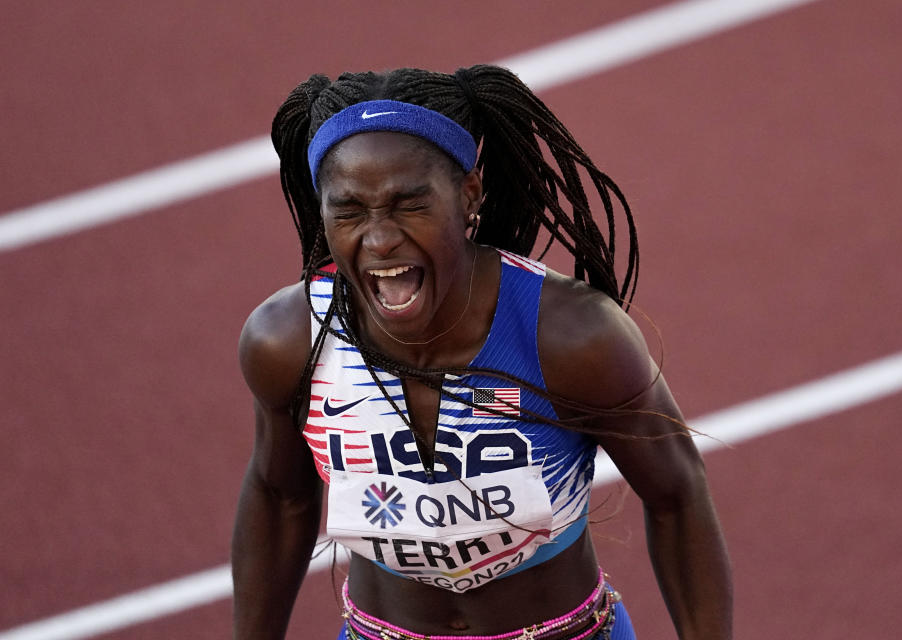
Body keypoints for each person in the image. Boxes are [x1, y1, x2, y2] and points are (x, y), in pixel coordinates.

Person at [232, 65, 732, 640]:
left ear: (470, 194)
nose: (378, 238)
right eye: (348, 210)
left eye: (407, 204)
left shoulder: (571, 336)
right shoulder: (290, 341)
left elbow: (677, 495)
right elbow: (279, 496)